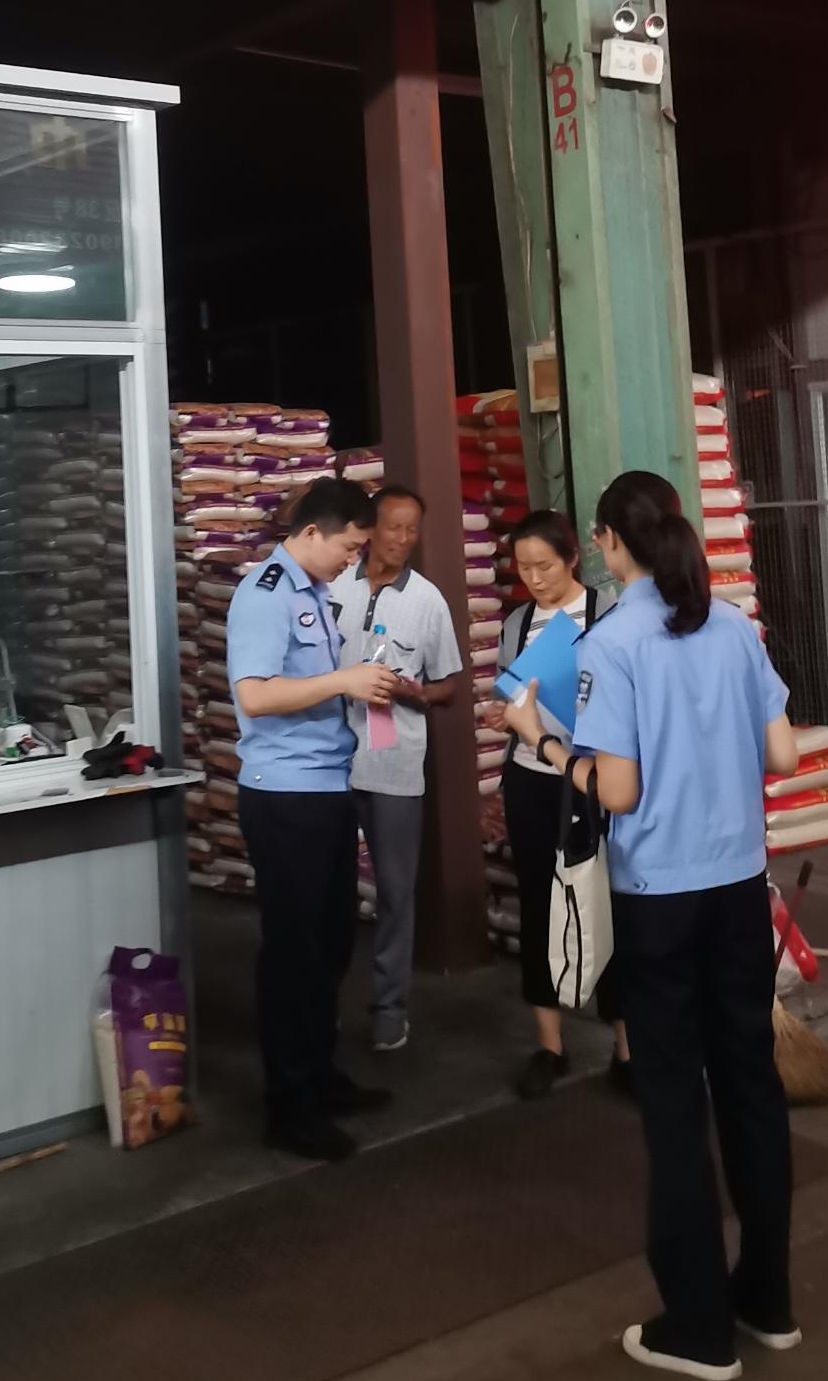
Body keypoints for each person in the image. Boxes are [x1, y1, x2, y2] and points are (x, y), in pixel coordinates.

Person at [505, 469, 799, 1381]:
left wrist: (546, 742)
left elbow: (620, 790)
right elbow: (784, 753)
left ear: (605, 543)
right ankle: (768, 1301)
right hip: (739, 887)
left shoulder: (613, 642)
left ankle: (699, 1328)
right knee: (751, 1083)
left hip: (659, 899)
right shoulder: (733, 625)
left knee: (674, 1103)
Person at [227, 476, 401, 1163]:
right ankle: (290, 1104)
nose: (353, 561)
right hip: (284, 796)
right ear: (310, 533)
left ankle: (321, 1075)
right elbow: (254, 695)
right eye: (349, 548)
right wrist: (343, 681)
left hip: (326, 787)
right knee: (294, 951)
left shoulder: (314, 595)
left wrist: (361, 689)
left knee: (330, 943)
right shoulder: (265, 594)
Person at [478, 512, 629, 1101]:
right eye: (524, 568)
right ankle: (549, 1045)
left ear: (572, 559)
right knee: (540, 906)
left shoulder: (608, 616)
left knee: (607, 906)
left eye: (545, 565)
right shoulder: (516, 623)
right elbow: (511, 694)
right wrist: (505, 716)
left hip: (592, 780)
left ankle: (626, 1047)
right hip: (531, 780)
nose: (535, 579)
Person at [328, 483, 464, 1054]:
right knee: (328, 892)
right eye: (393, 527)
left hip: (394, 764)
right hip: (330, 762)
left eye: (413, 529)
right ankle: (323, 1006)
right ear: (370, 529)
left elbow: (450, 684)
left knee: (395, 892)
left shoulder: (427, 601)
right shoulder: (333, 584)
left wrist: (417, 693)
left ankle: (389, 1008)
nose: (404, 539)